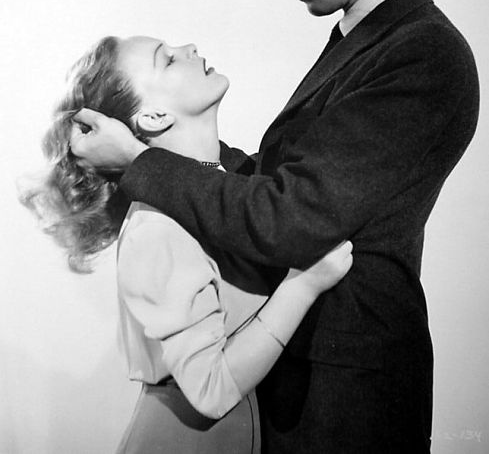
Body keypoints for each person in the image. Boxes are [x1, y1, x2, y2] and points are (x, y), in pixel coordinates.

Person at [70, 0, 480, 454]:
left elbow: (290, 217)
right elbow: (283, 181)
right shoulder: (367, 37)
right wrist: (158, 145)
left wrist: (139, 160)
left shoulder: (423, 52)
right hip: (301, 387)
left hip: (347, 400)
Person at [22, 34, 353, 453]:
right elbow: (211, 390)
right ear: (154, 117)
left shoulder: (224, 194)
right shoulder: (156, 228)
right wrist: (303, 285)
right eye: (167, 60)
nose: (190, 48)